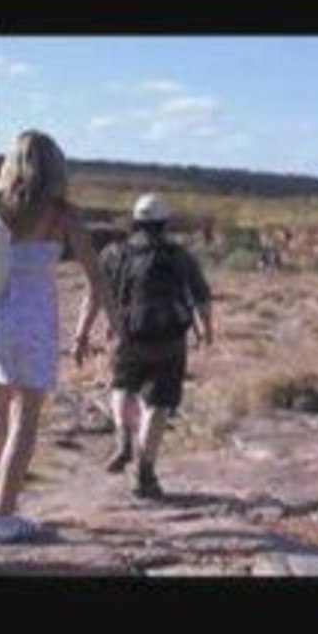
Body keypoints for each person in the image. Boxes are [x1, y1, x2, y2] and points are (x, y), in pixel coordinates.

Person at [0, 130, 122, 542]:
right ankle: (3, 516)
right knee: (24, 421)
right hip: (33, 322)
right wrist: (109, 322)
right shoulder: (62, 214)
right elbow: (95, 275)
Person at [74, 193, 213, 500]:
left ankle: (123, 438)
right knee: (158, 404)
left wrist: (81, 335)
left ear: (135, 221)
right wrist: (206, 330)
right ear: (165, 223)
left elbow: (93, 296)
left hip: (127, 335)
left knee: (121, 386)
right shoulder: (180, 256)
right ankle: (144, 472)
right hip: (170, 340)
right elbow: (201, 296)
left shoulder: (115, 253)